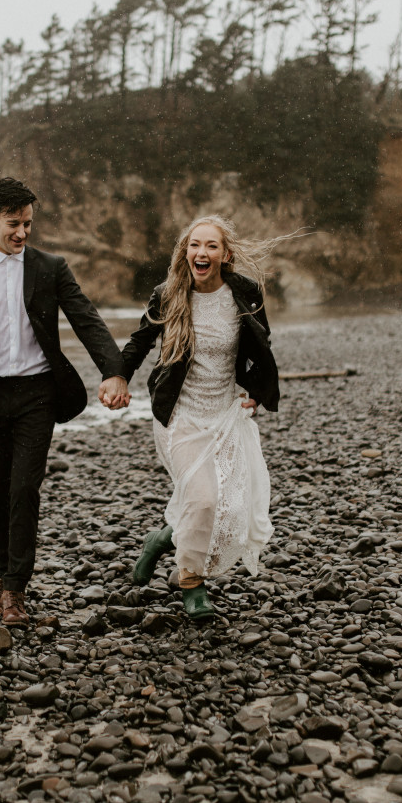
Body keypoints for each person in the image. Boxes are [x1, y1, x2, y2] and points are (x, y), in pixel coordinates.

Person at [0, 177, 130, 627]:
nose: (22, 233)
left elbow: (86, 317)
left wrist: (114, 369)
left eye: (27, 223)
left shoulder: (50, 267)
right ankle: (4, 575)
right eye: (13, 224)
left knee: (24, 488)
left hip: (37, 395)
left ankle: (14, 591)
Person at [119, 215, 280, 620]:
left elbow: (261, 341)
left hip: (224, 413)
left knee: (225, 504)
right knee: (205, 499)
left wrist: (257, 394)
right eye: (194, 245)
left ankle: (160, 540)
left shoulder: (244, 292)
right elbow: (141, 340)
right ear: (185, 251)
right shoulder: (169, 293)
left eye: (210, 246)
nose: (201, 253)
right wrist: (117, 375)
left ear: (225, 255)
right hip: (180, 413)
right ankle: (191, 584)